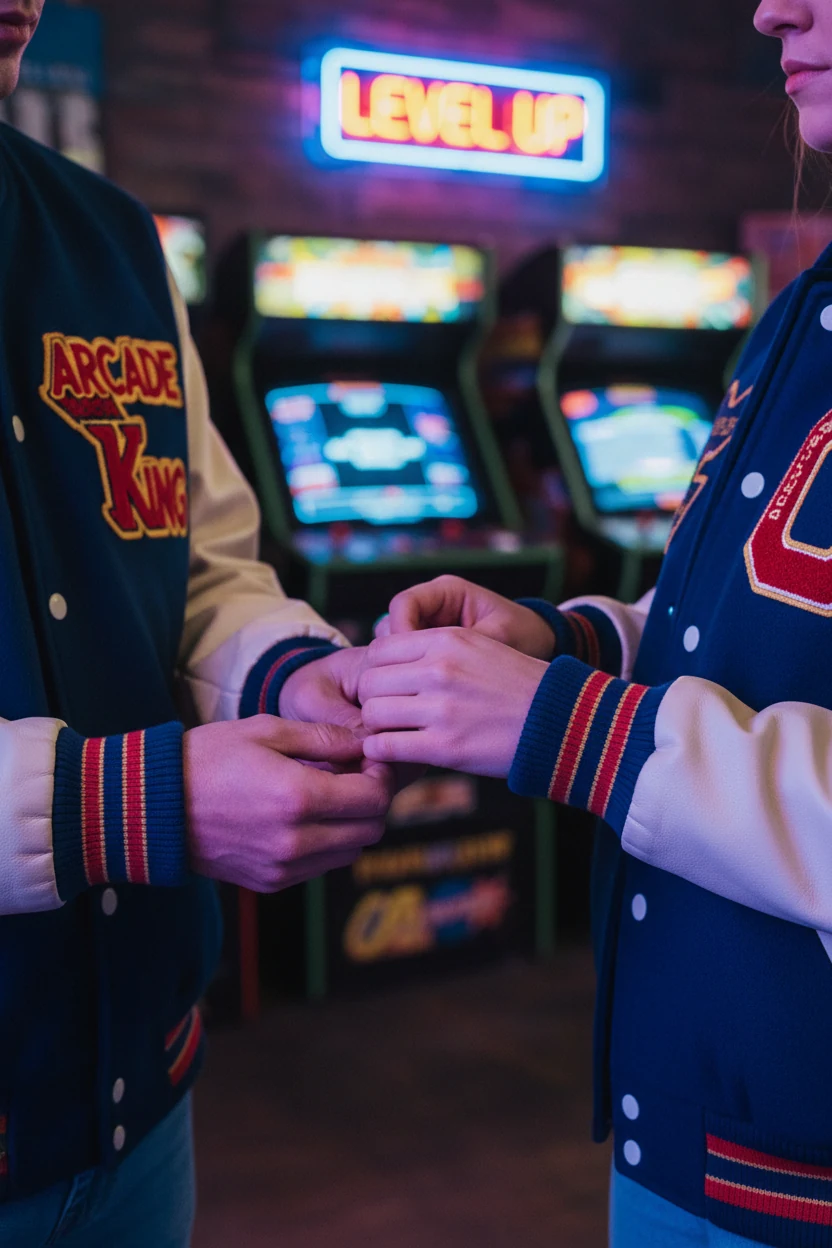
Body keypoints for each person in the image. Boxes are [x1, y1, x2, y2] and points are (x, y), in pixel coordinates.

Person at [359, 3, 832, 1244]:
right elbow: (753, 629)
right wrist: (563, 643)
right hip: (693, 1123)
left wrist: (572, 729)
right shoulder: (801, 310)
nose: (769, 7)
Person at [0, 5, 394, 1244]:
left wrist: (292, 677)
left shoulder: (116, 242)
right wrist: (130, 803)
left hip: (142, 1100)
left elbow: (205, 561)